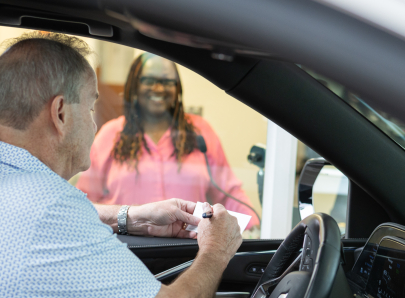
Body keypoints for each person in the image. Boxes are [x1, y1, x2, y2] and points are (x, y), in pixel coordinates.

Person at [0, 32, 242, 297]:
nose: (93, 125)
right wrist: (217, 249)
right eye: (91, 108)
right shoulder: (52, 206)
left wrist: (131, 217)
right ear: (60, 113)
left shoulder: (20, 188)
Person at [76, 52, 260, 228]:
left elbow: (229, 193)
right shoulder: (112, 134)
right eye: (149, 80)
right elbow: (85, 201)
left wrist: (253, 227)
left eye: (167, 81)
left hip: (188, 246)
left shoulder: (199, 132)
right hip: (127, 247)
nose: (159, 88)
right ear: (134, 85)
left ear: (177, 87)